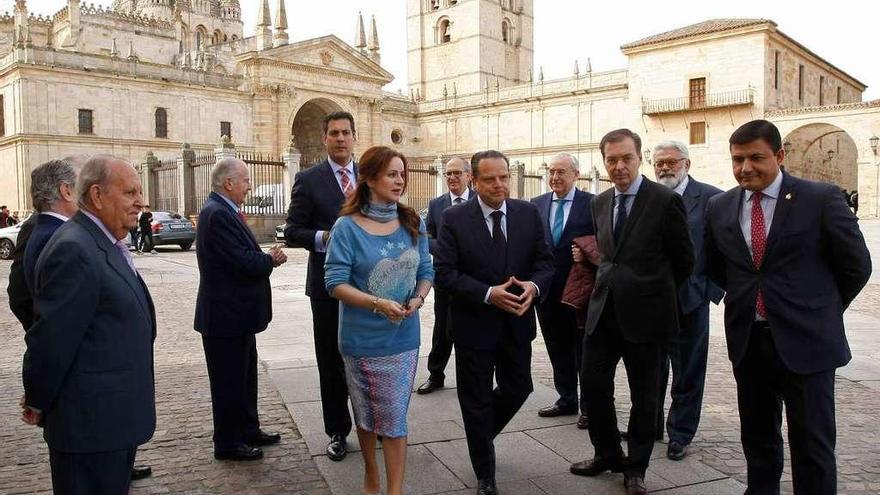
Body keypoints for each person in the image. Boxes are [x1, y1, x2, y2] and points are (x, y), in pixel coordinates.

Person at [704, 120, 871, 494]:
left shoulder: (821, 198)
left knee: (812, 445)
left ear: (779, 155)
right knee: (758, 442)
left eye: (756, 158)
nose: (745, 167)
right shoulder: (720, 206)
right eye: (737, 159)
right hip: (750, 343)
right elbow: (720, 268)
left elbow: (856, 265)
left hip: (808, 343)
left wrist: (819, 310)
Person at [22, 155, 156, 494]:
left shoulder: (100, 242)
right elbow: (51, 342)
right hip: (90, 425)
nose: (141, 202)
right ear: (97, 196)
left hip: (111, 420)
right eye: (130, 192)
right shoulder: (74, 249)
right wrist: (38, 400)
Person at [570, 129, 693, 495]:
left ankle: (635, 468)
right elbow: (609, 255)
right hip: (603, 311)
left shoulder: (664, 201)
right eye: (612, 160)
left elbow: (685, 261)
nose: (619, 166)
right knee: (592, 386)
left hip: (647, 317)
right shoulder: (600, 202)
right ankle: (606, 453)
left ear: (641, 159)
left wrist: (653, 293)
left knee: (645, 396)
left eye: (626, 158)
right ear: (604, 161)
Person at [435, 150, 554, 495]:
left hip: (517, 322)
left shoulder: (528, 213)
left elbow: (545, 264)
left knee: (519, 388)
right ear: (474, 181)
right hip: (473, 326)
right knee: (475, 399)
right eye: (490, 179)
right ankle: (485, 473)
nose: (499, 184)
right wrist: (488, 293)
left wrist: (533, 287)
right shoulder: (454, 219)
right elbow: (444, 274)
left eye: (504, 177)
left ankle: (479, 435)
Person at [324, 146, 433, 495]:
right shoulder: (346, 227)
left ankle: (394, 490)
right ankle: (372, 475)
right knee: (367, 415)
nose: (400, 180)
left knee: (395, 417)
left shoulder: (414, 221)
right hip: (361, 341)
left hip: (403, 340)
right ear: (369, 179)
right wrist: (377, 303)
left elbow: (427, 270)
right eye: (391, 173)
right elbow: (334, 282)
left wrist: (417, 299)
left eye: (402, 173)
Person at [194, 158, 287, 461]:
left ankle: (248, 429)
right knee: (229, 383)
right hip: (225, 317)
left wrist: (262, 258)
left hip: (237, 316)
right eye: (246, 180)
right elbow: (242, 261)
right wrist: (269, 259)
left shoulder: (224, 210)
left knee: (245, 378)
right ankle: (229, 442)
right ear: (228, 183)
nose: (250, 186)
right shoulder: (217, 214)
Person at [284, 111, 358, 461]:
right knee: (331, 361)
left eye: (346, 132)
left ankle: (370, 424)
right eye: (334, 133)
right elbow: (293, 230)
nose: (340, 138)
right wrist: (324, 237)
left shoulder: (370, 178)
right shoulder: (308, 179)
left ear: (354, 137)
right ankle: (337, 431)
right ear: (325, 138)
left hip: (368, 286)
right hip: (327, 287)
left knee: (365, 359)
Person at [650, 141, 723, 461]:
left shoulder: (712, 198)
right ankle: (649, 426)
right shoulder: (647, 197)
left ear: (687, 164)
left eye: (671, 162)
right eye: (658, 163)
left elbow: (724, 249)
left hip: (691, 301)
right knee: (650, 369)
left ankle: (680, 433)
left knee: (688, 372)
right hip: (650, 300)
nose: (664, 168)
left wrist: (709, 289)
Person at [530, 152, 594, 428]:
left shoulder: (592, 204)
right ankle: (566, 398)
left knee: (584, 350)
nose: (554, 177)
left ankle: (590, 407)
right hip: (548, 291)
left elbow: (603, 241)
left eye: (561, 172)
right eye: (551, 172)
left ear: (576, 175)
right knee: (557, 347)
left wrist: (587, 254)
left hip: (580, 291)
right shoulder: (536, 205)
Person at [417, 156, 473, 395]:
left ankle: (471, 377)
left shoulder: (480, 202)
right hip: (445, 279)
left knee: (473, 329)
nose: (452, 177)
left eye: (457, 173)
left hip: (474, 278)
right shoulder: (437, 204)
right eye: (448, 173)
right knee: (442, 328)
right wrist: (446, 248)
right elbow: (426, 238)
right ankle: (435, 374)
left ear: (469, 176)